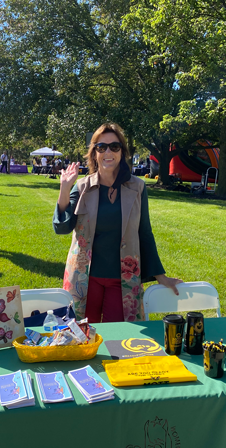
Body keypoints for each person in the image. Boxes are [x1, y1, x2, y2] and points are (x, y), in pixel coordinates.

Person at [53, 123, 182, 323]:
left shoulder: (137, 187)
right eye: (101, 147)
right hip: (84, 278)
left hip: (122, 279)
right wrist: (64, 188)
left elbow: (145, 233)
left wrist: (160, 275)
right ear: (94, 152)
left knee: (122, 335)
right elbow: (61, 227)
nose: (108, 152)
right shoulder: (82, 187)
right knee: (82, 335)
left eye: (114, 146)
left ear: (122, 151)